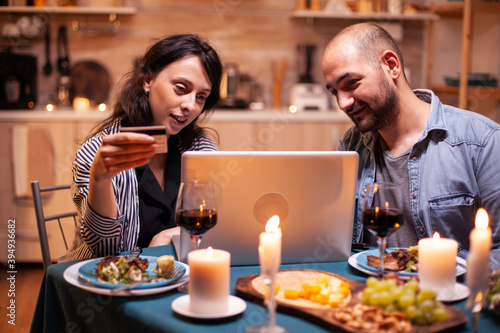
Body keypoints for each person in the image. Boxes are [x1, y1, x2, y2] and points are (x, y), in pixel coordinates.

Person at [322, 22, 500, 269]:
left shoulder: (482, 142)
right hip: (370, 295)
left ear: (391, 66)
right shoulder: (350, 146)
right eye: (334, 92)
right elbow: (334, 240)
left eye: (351, 83)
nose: (343, 103)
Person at [61, 34, 223, 262]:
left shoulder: (200, 147)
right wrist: (101, 178)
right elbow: (104, 248)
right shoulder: (98, 150)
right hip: (109, 281)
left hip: (176, 275)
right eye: (180, 88)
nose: (190, 106)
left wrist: (172, 233)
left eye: (201, 97)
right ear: (148, 79)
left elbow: (219, 224)